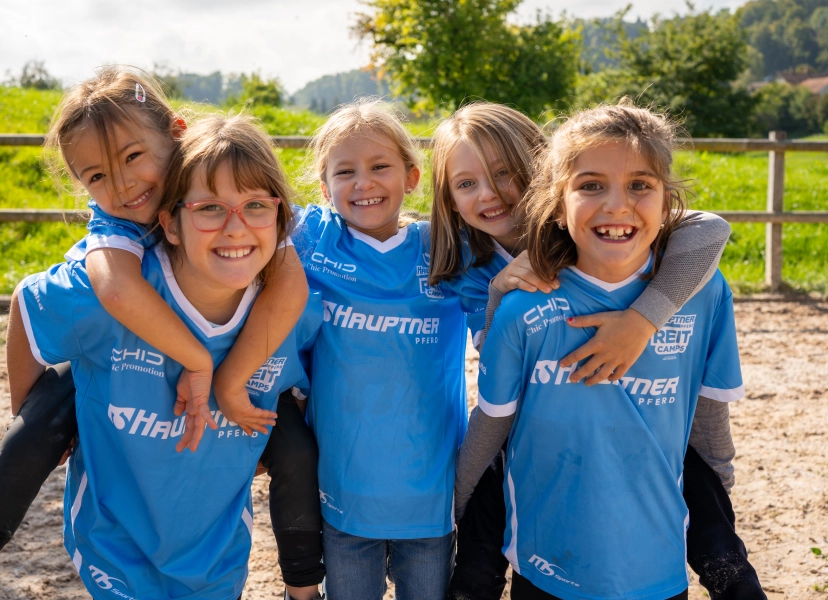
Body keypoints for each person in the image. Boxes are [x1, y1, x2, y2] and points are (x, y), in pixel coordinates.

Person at [0, 69, 323, 600]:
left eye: (135, 156)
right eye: (97, 176)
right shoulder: (111, 238)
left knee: (295, 444)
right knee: (46, 414)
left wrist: (229, 383)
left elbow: (290, 283)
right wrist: (34, 420)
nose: (123, 184)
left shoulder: (235, 199)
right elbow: (96, 293)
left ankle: (305, 590)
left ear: (176, 134)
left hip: (212, 447)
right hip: (113, 358)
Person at [429, 102, 764, 599]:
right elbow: (503, 392)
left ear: (538, 173)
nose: (490, 193)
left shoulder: (618, 228)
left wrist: (643, 319)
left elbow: (710, 228)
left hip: (647, 431)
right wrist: (501, 291)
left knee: (710, 520)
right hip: (534, 433)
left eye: (503, 173)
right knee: (480, 551)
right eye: (466, 183)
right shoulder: (479, 274)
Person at [289, 99, 465, 600]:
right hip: (344, 489)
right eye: (345, 172)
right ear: (325, 187)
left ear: (412, 176)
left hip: (430, 493)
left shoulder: (447, 247)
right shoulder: (312, 240)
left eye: (380, 166)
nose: (363, 183)